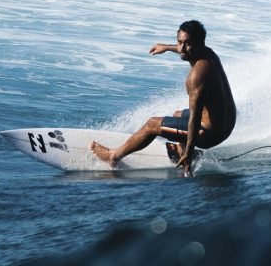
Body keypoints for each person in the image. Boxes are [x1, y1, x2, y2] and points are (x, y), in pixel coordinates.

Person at [90, 20, 236, 175]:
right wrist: (166, 47)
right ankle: (182, 151)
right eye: (179, 42)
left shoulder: (197, 76)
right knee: (177, 114)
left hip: (209, 134)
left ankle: (113, 156)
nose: (181, 48)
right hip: (226, 124)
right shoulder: (209, 54)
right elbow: (184, 49)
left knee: (152, 125)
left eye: (187, 44)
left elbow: (195, 116)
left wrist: (189, 152)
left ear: (199, 43)